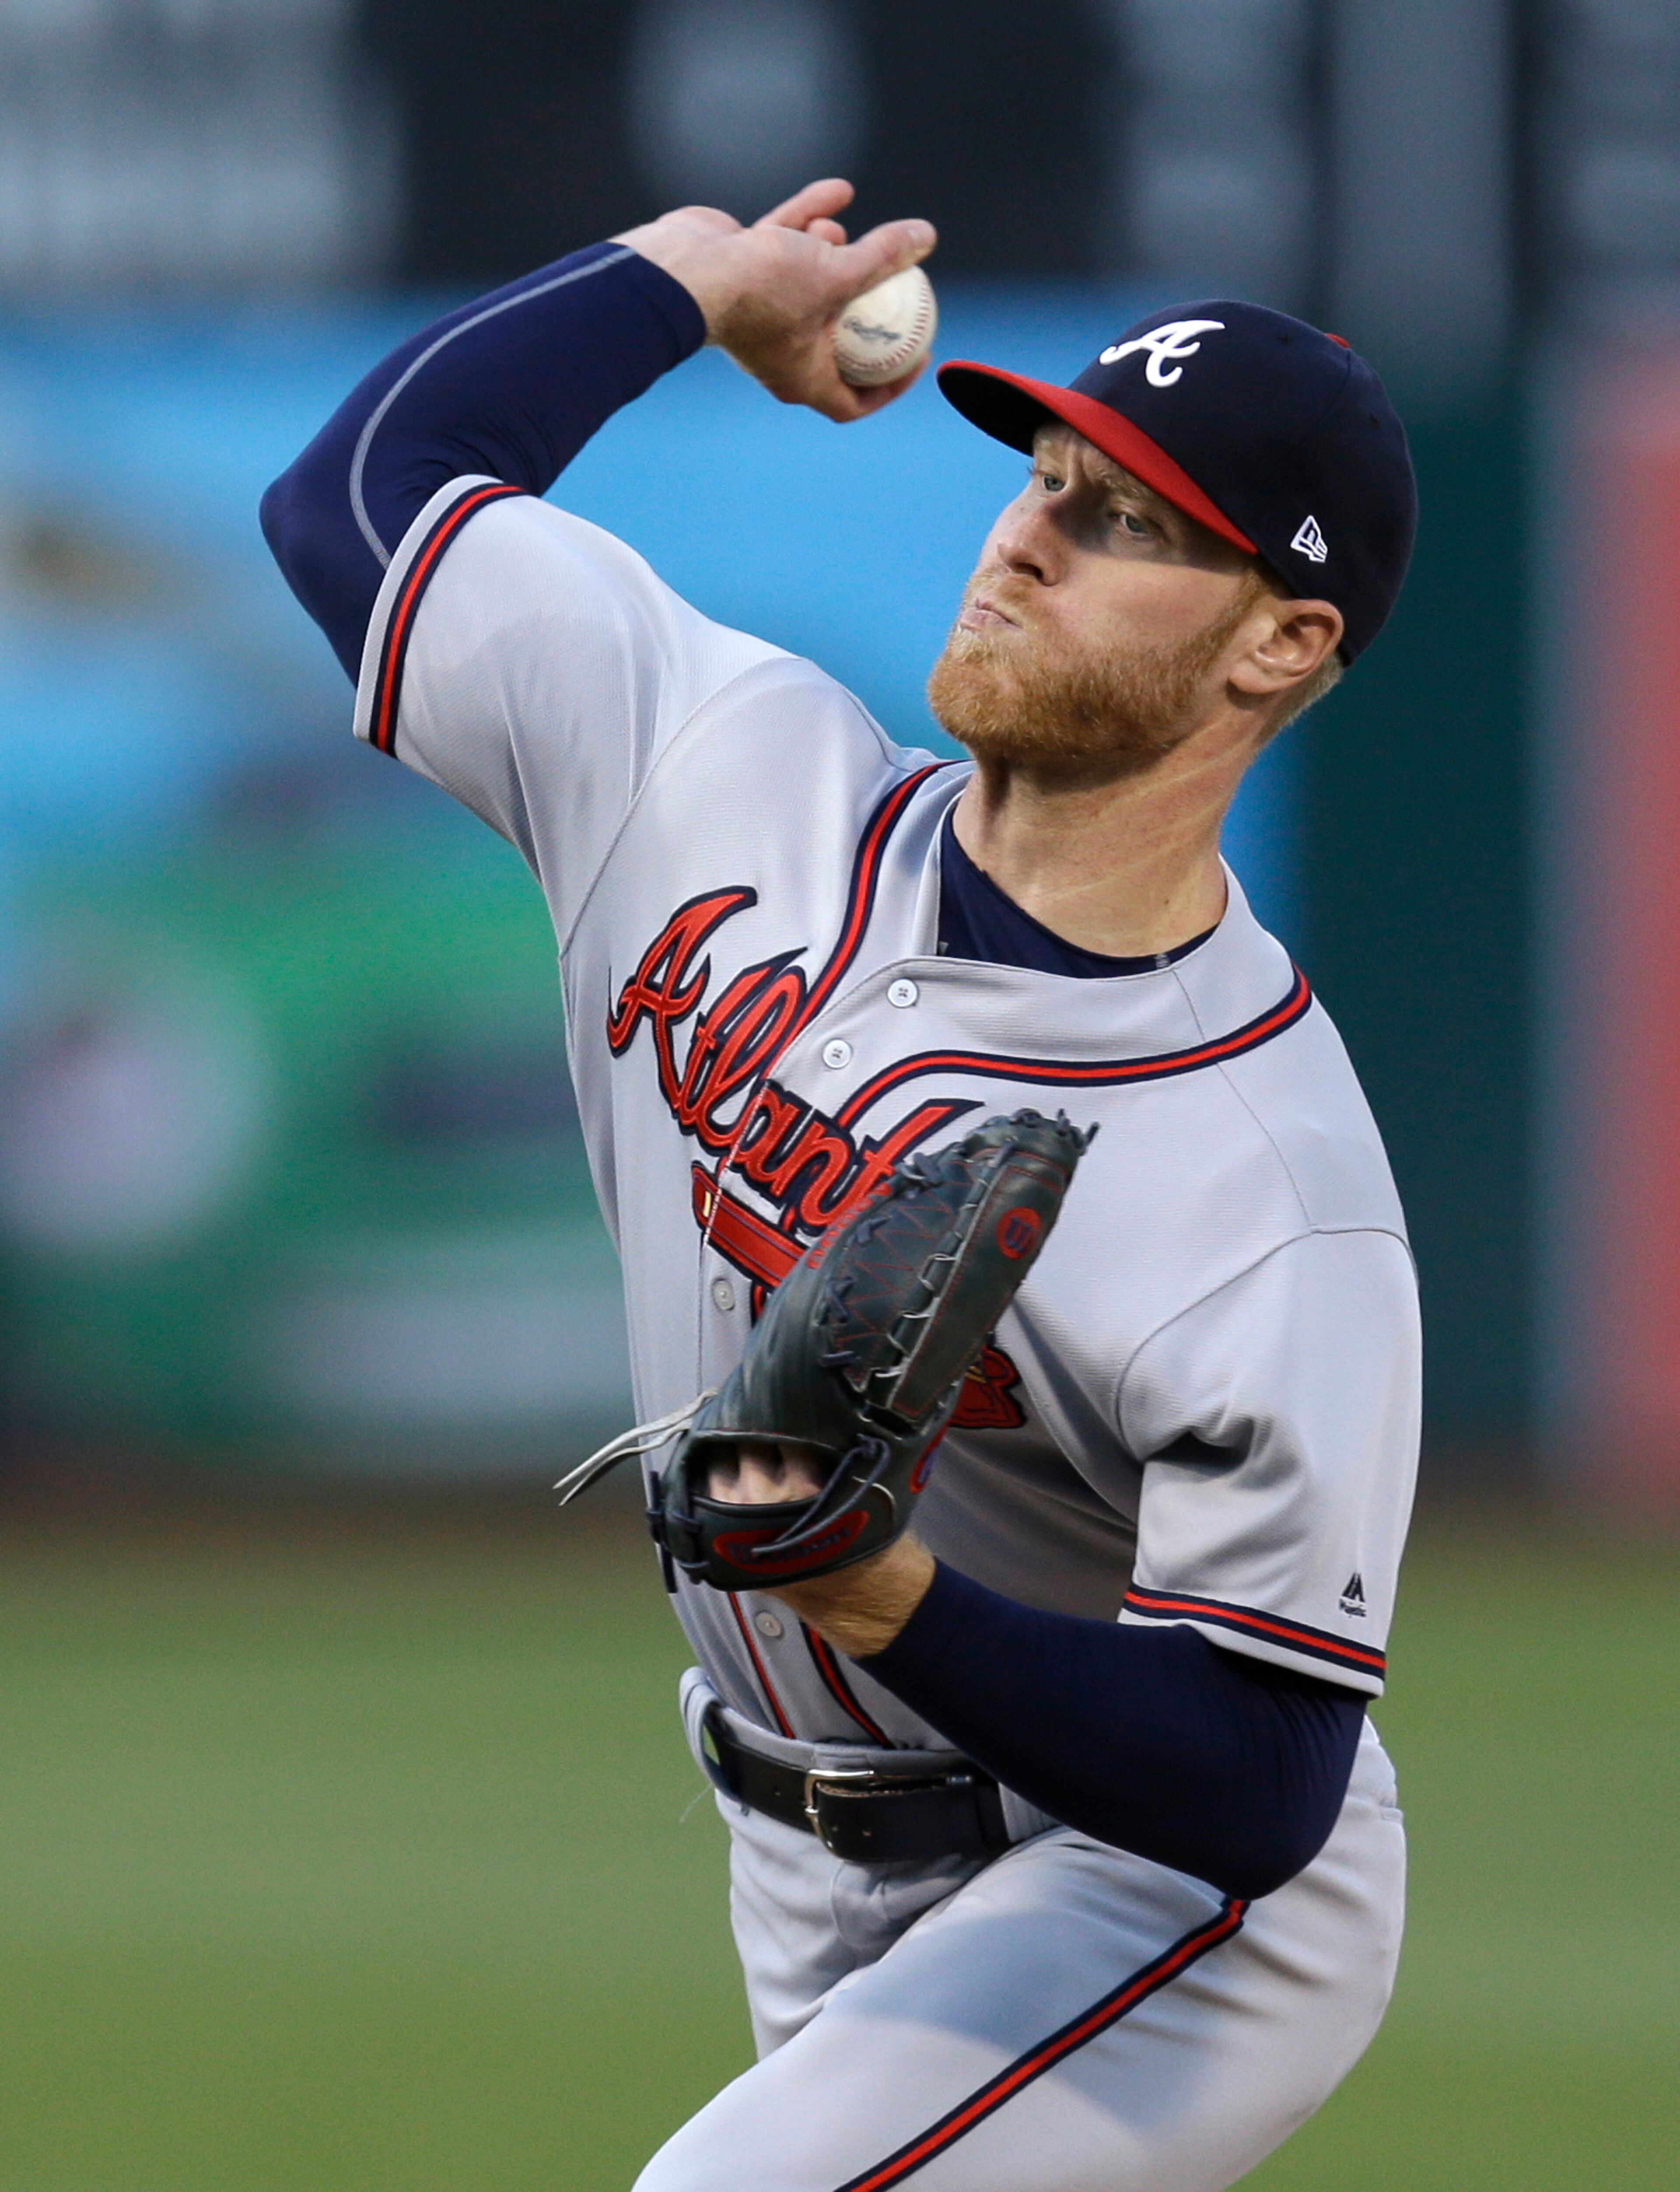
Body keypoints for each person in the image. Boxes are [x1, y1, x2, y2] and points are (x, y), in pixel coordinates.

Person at [263, 178, 1420, 2192]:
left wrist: (877, 1587)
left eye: (1129, 521)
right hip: (800, 1846)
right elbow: (355, 499)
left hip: (1155, 1899)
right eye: (1046, 473)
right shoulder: (718, 761)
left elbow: (1255, 1776)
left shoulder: (1272, 1175)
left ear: (1282, 641)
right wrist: (687, 281)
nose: (1031, 534)